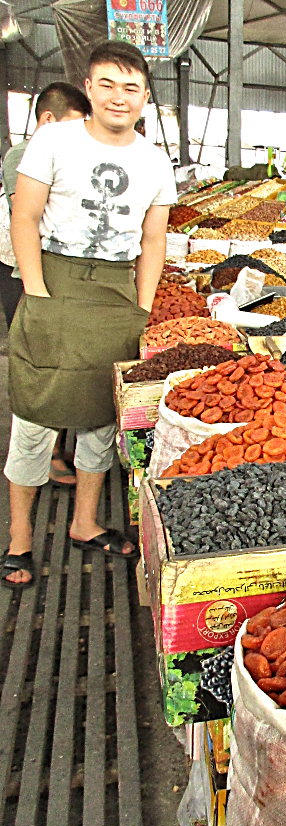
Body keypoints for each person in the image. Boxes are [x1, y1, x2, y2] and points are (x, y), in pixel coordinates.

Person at [3, 40, 176, 587]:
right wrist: (36, 290)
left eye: (130, 88)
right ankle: (20, 538)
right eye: (106, 85)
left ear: (145, 98)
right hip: (54, 278)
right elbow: (25, 218)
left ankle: (84, 522)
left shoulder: (153, 159)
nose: (117, 98)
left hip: (114, 290)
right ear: (89, 87)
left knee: (102, 418)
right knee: (35, 412)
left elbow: (153, 240)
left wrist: (142, 307)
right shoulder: (54, 140)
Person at [1, 82, 92, 487]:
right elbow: (33, 215)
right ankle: (50, 456)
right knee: (42, 371)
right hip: (25, 276)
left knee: (63, 367)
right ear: (47, 120)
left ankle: (59, 443)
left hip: (56, 277)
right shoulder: (24, 154)